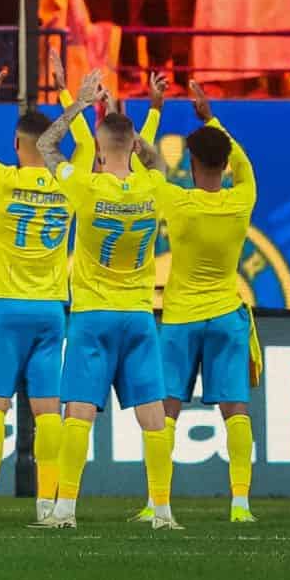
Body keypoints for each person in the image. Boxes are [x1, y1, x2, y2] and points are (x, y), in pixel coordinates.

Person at [31, 74, 177, 531]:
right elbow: (156, 163)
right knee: (153, 417)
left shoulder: (86, 187)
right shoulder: (154, 185)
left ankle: (66, 510)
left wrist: (78, 104)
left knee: (77, 413)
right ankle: (163, 510)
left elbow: (47, 148)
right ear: (134, 146)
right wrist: (151, 113)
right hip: (137, 315)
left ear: (97, 148)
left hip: (93, 315)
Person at [0, 46, 91, 526]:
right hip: (51, 309)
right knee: (48, 410)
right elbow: (90, 149)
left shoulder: (2, 180)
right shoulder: (72, 182)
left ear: (16, 142)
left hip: (4, 308)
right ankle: (48, 504)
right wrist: (69, 94)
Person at [150, 76, 261, 525]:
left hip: (180, 319)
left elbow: (140, 168)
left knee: (167, 412)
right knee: (235, 410)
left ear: (192, 162)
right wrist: (211, 117)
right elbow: (244, 162)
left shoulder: (177, 203)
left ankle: (159, 504)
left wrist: (156, 108)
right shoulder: (242, 200)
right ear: (223, 163)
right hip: (225, 317)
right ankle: (240, 504)